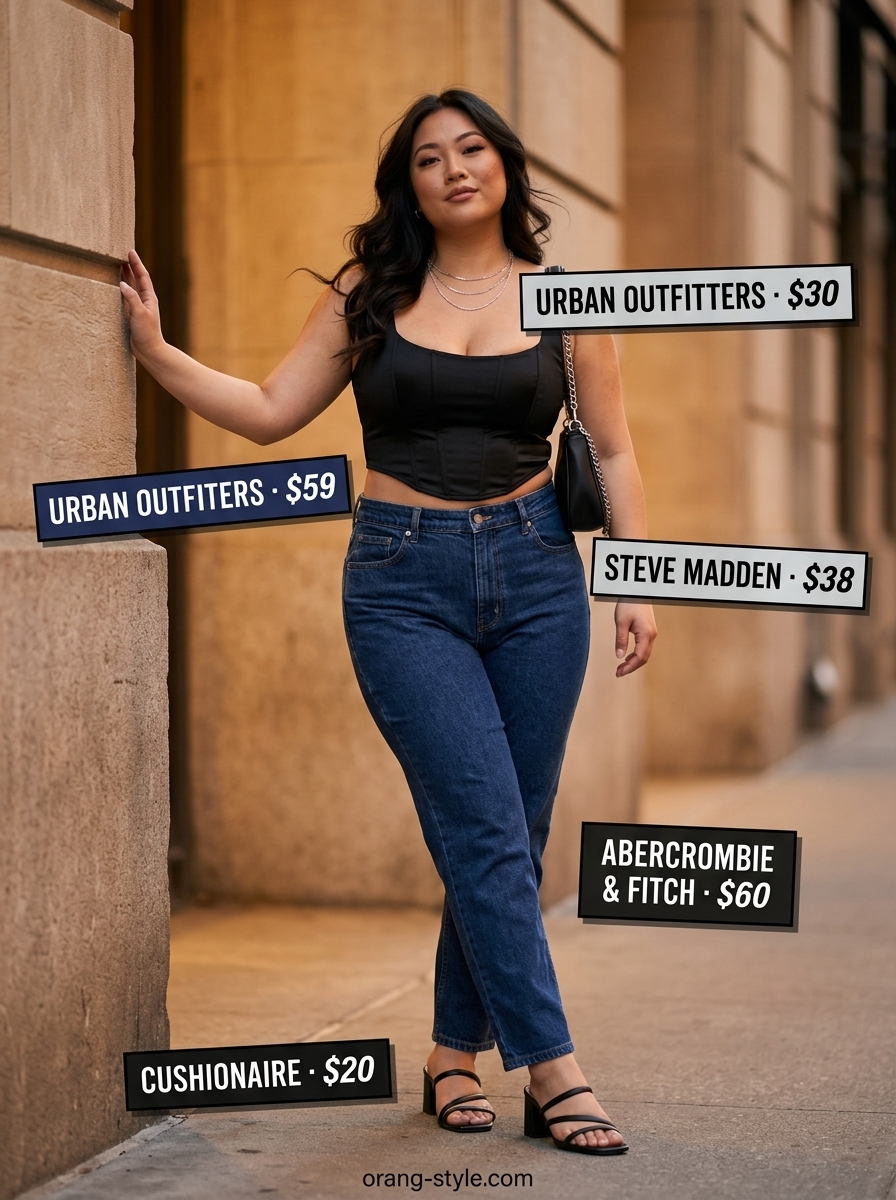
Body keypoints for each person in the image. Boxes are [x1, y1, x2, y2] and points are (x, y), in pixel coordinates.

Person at [121, 88, 656, 1156]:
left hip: (539, 575)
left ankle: (449, 1057)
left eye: (469, 149)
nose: (452, 168)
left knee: (508, 830)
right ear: (407, 183)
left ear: (503, 165)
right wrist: (157, 354)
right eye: (426, 157)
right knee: (486, 829)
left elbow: (615, 443)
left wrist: (633, 576)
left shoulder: (567, 301)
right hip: (403, 584)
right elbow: (273, 409)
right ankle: (554, 1068)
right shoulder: (374, 290)